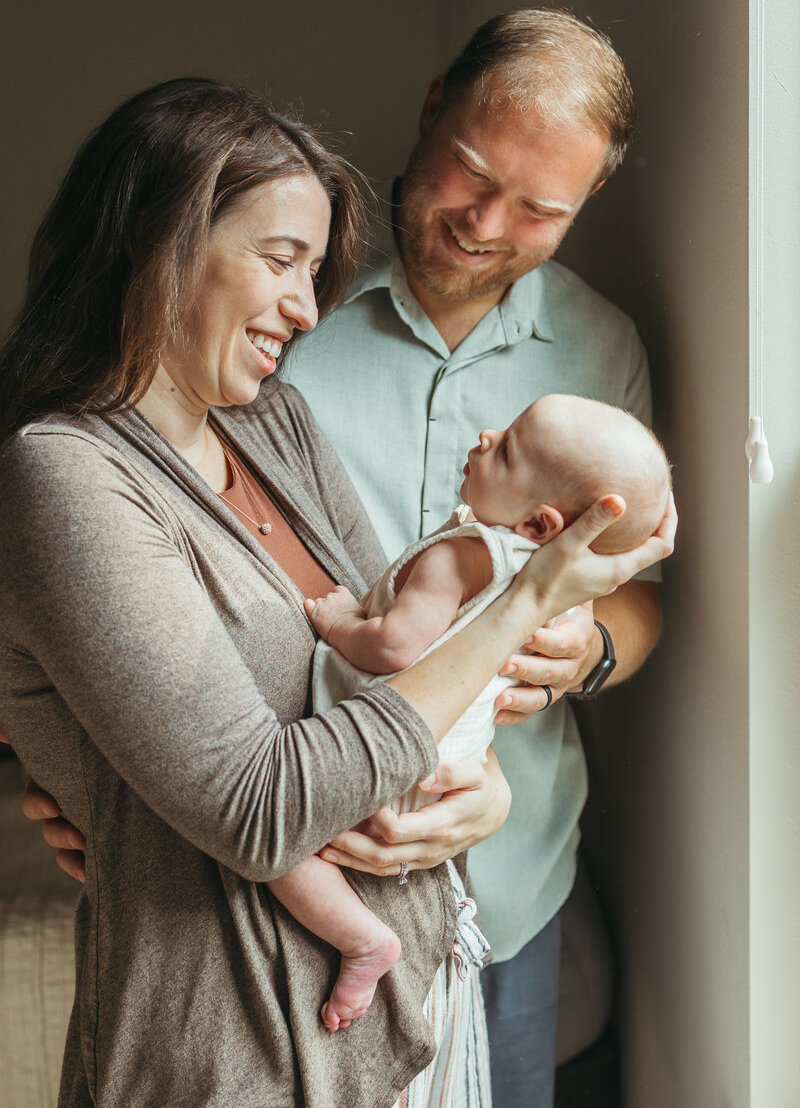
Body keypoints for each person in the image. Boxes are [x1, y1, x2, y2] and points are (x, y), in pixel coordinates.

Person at [0, 78, 674, 1108]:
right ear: (154, 239)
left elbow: (400, 680)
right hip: (241, 1050)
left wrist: (479, 802)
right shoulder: (66, 475)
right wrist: (530, 596)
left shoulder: (269, 424)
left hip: (412, 1016)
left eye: (313, 272)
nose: (306, 309)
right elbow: (260, 805)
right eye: (278, 261)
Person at [271, 395, 671, 1034]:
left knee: (280, 849)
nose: (485, 435)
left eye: (507, 446)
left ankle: (363, 943)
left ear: (541, 526)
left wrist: (340, 620)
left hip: (396, 753)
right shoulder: (556, 594)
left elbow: (395, 646)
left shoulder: (458, 555)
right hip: (451, 768)